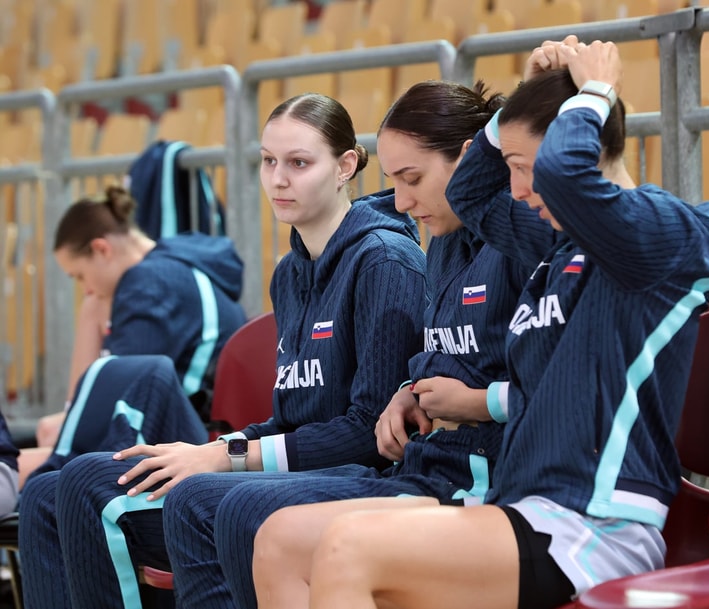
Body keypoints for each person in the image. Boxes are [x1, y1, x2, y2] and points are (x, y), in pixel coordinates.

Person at [251, 39, 709, 609]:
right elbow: (469, 189)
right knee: (281, 540)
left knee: (348, 550)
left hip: (594, 526)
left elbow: (566, 177)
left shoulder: (665, 237)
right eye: (513, 169)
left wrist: (599, 90)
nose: (519, 190)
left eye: (527, 170)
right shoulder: (558, 250)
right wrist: (518, 101)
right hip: (523, 507)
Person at [152, 79, 555, 608]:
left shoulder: (413, 256)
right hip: (425, 468)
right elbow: (445, 362)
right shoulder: (438, 247)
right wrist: (410, 388)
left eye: (298, 162)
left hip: (480, 484)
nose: (403, 202)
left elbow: (554, 386)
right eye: (267, 161)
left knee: (229, 508)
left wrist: (474, 403)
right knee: (179, 498)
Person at [18, 92, 428, 609]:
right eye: (268, 161)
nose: (278, 179)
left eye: (299, 163)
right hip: (292, 465)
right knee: (49, 492)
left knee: (102, 493)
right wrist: (208, 451)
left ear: (346, 165)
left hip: (360, 476)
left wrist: (225, 455)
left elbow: (368, 434)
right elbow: (289, 419)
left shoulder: (385, 261)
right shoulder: (290, 272)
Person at [18, 186, 248, 484]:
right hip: (209, 425)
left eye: (79, 275)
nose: (85, 288)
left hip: (192, 440)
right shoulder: (177, 264)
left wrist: (91, 311)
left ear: (102, 249)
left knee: (31, 462)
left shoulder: (148, 284)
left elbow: (115, 406)